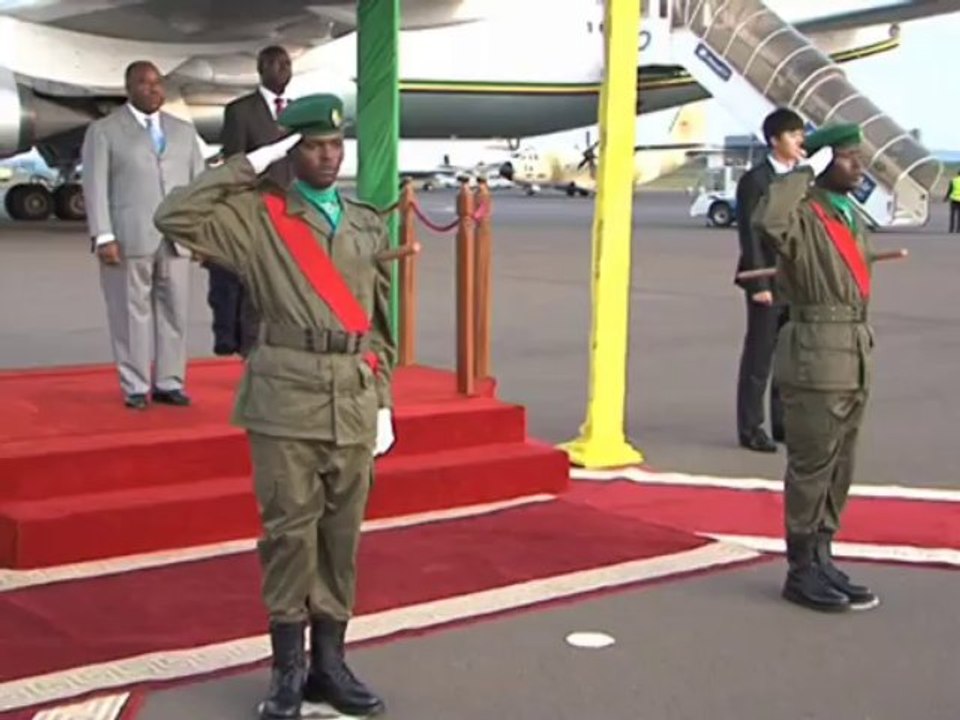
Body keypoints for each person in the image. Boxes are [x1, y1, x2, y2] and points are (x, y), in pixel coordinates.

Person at [154, 93, 395, 719]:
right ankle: (287, 671)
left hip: (353, 395)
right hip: (285, 396)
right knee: (289, 535)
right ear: (293, 152)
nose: (328, 156)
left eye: (335, 146)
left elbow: (379, 324)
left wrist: (384, 403)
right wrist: (246, 163)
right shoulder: (257, 219)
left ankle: (330, 665)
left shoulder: (367, 220)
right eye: (314, 146)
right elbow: (173, 216)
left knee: (340, 539)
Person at [754, 123, 881, 613]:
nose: (859, 166)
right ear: (826, 161)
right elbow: (769, 220)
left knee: (840, 463)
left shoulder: (847, 213)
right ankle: (800, 568)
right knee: (812, 463)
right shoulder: (802, 212)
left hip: (852, 350)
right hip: (815, 352)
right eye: (848, 157)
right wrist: (803, 167)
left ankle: (824, 554)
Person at [81, 60, 206, 409]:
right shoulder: (104, 131)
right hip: (128, 237)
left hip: (176, 239)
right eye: (144, 83)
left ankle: (169, 381)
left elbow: (198, 187)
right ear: (129, 88)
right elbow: (94, 186)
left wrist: (198, 235)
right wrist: (103, 235)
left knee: (175, 313)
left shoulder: (182, 131)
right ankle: (135, 384)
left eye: (157, 83)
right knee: (131, 314)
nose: (153, 89)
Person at [207, 45, 296, 357]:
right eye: (273, 64)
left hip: (292, 213)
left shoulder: (299, 112)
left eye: (286, 64)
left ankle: (277, 349)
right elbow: (235, 163)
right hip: (257, 211)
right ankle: (250, 351)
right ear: (260, 69)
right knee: (253, 288)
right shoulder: (241, 110)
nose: (281, 69)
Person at [734, 108, 805, 452]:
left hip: (796, 279)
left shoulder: (803, 177)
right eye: (792, 135)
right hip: (766, 278)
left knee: (789, 357)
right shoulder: (756, 181)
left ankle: (783, 423)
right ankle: (750, 428)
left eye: (800, 134)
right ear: (775, 140)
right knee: (759, 357)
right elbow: (749, 235)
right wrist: (759, 283)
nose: (799, 141)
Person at [945, 168, 960, 234]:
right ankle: (958, 229)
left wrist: (946, 198)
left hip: (953, 199)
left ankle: (951, 229)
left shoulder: (953, 180)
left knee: (952, 215)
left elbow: (950, 190)